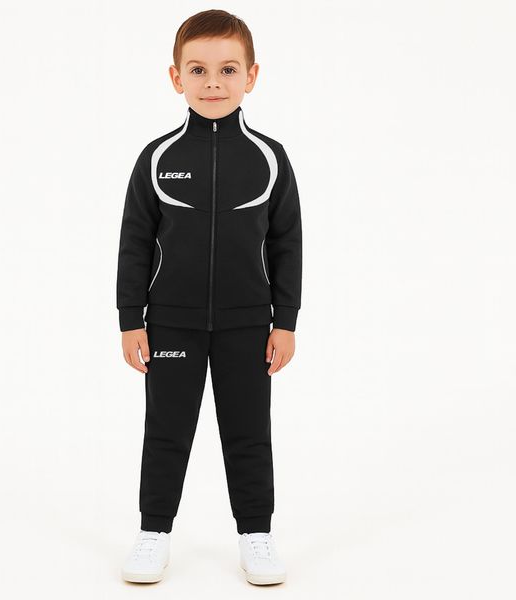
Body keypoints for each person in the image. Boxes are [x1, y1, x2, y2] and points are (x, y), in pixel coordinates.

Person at [116, 9, 302, 586]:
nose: (213, 82)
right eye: (198, 69)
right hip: (171, 323)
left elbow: (288, 243)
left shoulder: (270, 157)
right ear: (176, 77)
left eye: (228, 69)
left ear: (252, 76)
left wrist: (285, 321)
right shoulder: (158, 157)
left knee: (248, 431)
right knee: (166, 430)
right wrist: (130, 318)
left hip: (248, 325)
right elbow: (134, 242)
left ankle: (256, 536)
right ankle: (153, 533)